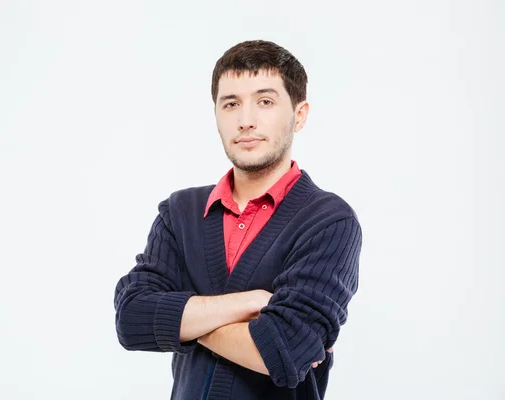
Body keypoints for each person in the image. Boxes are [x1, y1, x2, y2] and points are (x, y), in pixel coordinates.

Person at [114, 39, 362, 400]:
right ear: (216, 115)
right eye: (231, 104)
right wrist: (248, 303)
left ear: (300, 114)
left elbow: (284, 350)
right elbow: (132, 318)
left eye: (265, 101)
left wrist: (179, 320)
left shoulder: (328, 221)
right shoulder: (179, 213)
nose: (245, 121)